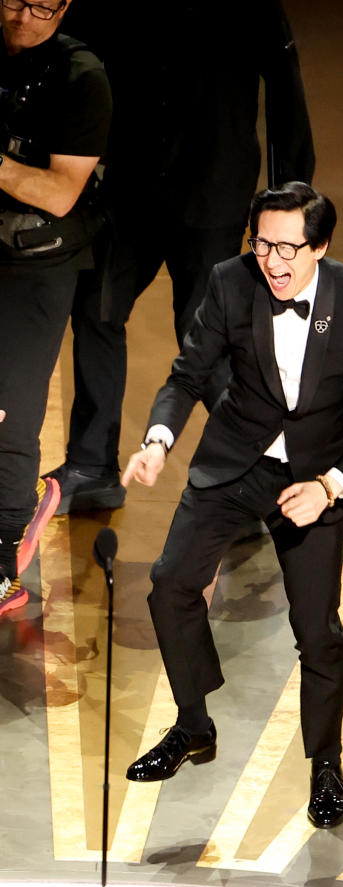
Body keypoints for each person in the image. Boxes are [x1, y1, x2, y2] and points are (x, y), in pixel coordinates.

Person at [120, 183, 343, 829]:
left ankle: (325, 762)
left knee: (317, 630)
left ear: (321, 246)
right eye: (263, 244)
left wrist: (330, 486)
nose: (272, 261)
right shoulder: (230, 282)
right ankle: (194, 725)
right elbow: (188, 374)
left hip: (313, 477)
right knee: (169, 586)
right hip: (235, 458)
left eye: (288, 248)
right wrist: (158, 440)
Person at [47, 0, 315, 515]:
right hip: (130, 188)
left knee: (206, 337)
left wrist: (291, 197)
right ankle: (91, 464)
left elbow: (286, 89)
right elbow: (70, 55)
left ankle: (252, 477)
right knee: (96, 311)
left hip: (212, 192)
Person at [0, 0, 109, 615]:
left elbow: (60, 193)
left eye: (43, 5)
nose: (24, 16)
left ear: (66, 6)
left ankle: (2, 563)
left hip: (37, 261)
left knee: (8, 412)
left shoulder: (81, 78)